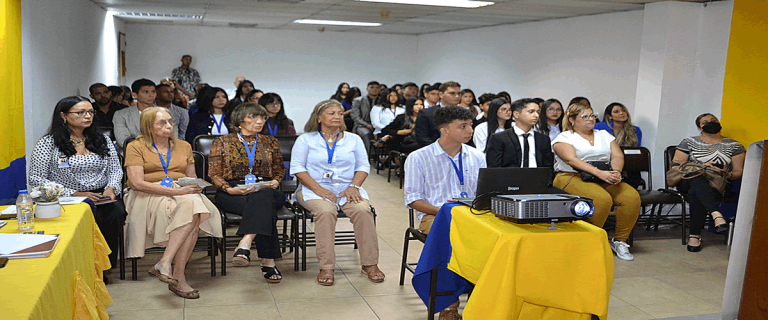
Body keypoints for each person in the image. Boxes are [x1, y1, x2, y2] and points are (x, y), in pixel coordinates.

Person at [123, 106, 222, 299]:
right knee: (194, 213)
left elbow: (191, 176)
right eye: (162, 122)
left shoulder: (183, 145)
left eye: (170, 122)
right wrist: (176, 191)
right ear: (148, 127)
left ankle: (165, 263)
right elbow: (136, 183)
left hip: (182, 191)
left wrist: (195, 186)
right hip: (147, 192)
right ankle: (179, 278)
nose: (169, 126)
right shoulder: (135, 146)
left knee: (193, 204)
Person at [29, 96, 125, 278]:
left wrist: (111, 188)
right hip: (65, 198)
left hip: (102, 195)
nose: (87, 116)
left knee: (115, 213)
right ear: (64, 116)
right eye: (80, 112)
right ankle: (84, 268)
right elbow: (36, 178)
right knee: (84, 217)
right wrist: (73, 193)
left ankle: (103, 266)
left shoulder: (102, 140)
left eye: (90, 112)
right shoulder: (48, 143)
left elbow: (115, 170)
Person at [404, 106, 485, 320]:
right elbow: (413, 199)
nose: (470, 131)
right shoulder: (418, 157)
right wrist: (445, 211)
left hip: (472, 215)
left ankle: (486, 295)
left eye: (471, 126)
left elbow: (485, 193)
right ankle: (450, 304)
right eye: (463, 126)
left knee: (498, 237)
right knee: (451, 238)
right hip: (435, 215)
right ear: (444, 129)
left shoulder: (477, 156)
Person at [291, 99, 383, 286]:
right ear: (318, 117)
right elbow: (298, 168)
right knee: (325, 212)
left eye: (340, 113)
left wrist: (354, 186)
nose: (337, 117)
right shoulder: (306, 139)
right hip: (313, 190)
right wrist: (320, 190)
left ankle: (370, 264)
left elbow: (363, 166)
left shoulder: (353, 139)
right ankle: (327, 267)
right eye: (331, 113)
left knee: (363, 211)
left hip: (347, 188)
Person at [551, 103, 640, 261]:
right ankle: (588, 241)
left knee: (631, 198)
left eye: (592, 115)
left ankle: (619, 241)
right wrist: (601, 174)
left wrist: (616, 172)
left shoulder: (604, 135)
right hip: (571, 176)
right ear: (572, 119)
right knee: (601, 200)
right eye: (585, 116)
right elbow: (571, 159)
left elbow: (617, 156)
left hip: (603, 175)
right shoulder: (564, 137)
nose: (590, 119)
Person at [208, 103, 286, 282]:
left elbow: (279, 170)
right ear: (239, 120)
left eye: (263, 118)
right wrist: (229, 188)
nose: (259, 121)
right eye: (253, 117)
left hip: (266, 188)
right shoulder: (222, 141)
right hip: (233, 191)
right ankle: (268, 262)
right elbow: (213, 173)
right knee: (265, 208)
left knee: (264, 197)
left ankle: (246, 241)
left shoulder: (270, 141)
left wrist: (274, 182)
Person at [672, 113, 745, 252]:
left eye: (713, 120)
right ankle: (715, 213)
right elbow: (677, 167)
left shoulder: (735, 145)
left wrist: (727, 173)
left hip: (718, 182)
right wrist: (702, 167)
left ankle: (695, 235)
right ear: (700, 128)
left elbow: (738, 172)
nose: (710, 123)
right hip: (687, 179)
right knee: (696, 176)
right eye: (705, 122)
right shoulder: (689, 142)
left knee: (696, 191)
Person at [113, 79, 186, 148]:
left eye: (153, 92)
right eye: (146, 92)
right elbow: (123, 141)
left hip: (162, 154)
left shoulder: (166, 114)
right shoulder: (121, 115)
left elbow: (173, 138)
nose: (151, 95)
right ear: (135, 95)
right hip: (133, 155)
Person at [486, 98, 553, 169]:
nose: (536, 115)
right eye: (531, 112)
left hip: (537, 178)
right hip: (509, 178)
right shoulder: (499, 138)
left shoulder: (543, 139)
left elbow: (548, 167)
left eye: (538, 112)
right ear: (516, 114)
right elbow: (494, 167)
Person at [415, 81, 462, 148]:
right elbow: (422, 137)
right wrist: (440, 149)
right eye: (452, 93)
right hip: (433, 152)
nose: (457, 96)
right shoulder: (426, 113)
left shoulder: (466, 113)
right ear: (441, 94)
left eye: (459, 93)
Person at [350, 81, 381, 153]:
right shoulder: (358, 100)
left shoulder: (382, 101)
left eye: (377, 88)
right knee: (366, 133)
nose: (375, 89)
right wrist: (367, 125)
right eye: (372, 87)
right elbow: (355, 117)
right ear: (367, 89)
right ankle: (371, 156)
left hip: (378, 125)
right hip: (362, 125)